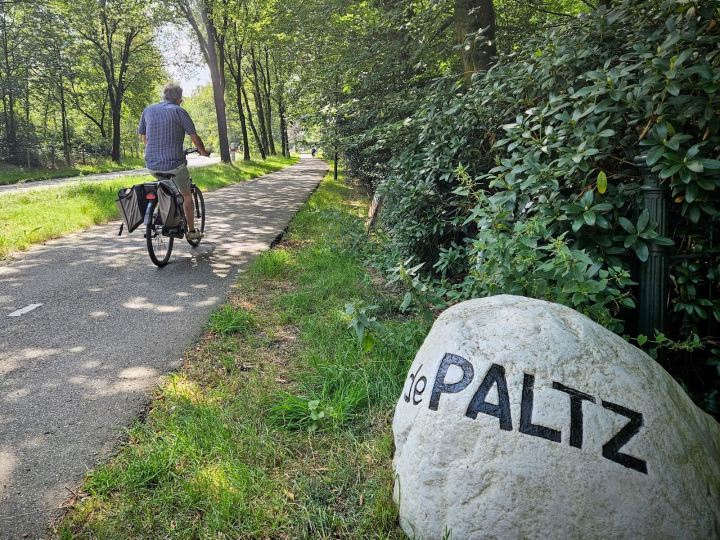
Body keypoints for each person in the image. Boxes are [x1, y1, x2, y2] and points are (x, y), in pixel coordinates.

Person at [138, 83, 210, 241]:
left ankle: (162, 217)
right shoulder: (179, 111)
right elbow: (194, 137)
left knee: (164, 189)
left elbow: (144, 137)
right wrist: (203, 152)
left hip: (151, 164)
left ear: (164, 96)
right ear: (179, 99)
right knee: (186, 195)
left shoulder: (148, 110)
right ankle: (191, 232)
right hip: (174, 164)